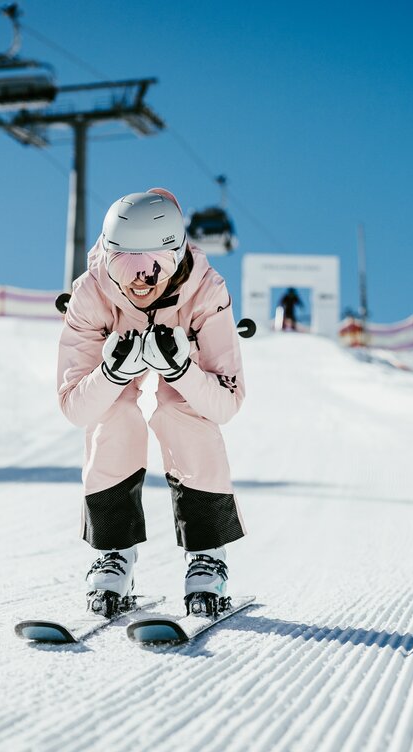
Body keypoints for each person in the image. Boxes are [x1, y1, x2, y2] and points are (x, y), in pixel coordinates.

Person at [57, 188, 246, 617]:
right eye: (124, 263)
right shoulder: (92, 294)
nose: (140, 280)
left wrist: (183, 371)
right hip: (114, 346)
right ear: (107, 255)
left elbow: (226, 405)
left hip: (185, 337)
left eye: (154, 265)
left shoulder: (205, 292)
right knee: (113, 413)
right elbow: (74, 407)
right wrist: (111, 375)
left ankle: (206, 552)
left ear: (178, 255)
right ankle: (114, 550)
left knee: (183, 410)